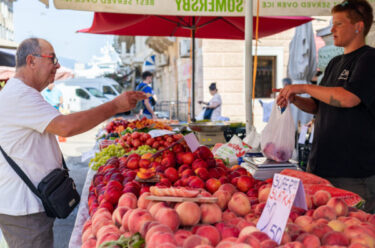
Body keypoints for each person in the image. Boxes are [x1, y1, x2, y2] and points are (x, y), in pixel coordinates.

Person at [0, 38, 146, 248]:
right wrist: (114, 106)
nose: (57, 65)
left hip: (27, 203)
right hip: (24, 209)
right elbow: (66, 126)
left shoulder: (23, 93)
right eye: (53, 59)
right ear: (31, 61)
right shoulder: (20, 95)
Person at [276, 0, 375, 213]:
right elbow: (318, 106)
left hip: (353, 174)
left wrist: (303, 86)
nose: (332, 30)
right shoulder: (334, 63)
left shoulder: (369, 58)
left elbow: (349, 98)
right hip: (321, 167)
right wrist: (295, 98)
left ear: (358, 26)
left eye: (339, 23)